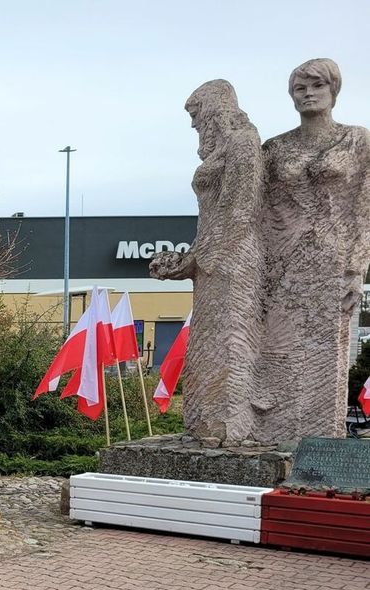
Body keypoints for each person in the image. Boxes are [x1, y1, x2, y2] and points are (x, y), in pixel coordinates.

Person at [256, 58, 370, 441]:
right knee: (277, 347)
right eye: (300, 89)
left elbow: (365, 207)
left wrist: (357, 265)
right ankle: (271, 434)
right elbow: (253, 208)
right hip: (280, 262)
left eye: (316, 86)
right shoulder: (274, 148)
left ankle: (317, 441)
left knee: (325, 356)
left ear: (333, 91)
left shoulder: (358, 141)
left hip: (331, 261)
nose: (308, 94)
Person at [149, 80, 262, 443]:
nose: (194, 125)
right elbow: (213, 216)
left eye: (196, 114)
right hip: (214, 255)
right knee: (207, 341)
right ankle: (204, 423)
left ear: (215, 108)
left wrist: (204, 257)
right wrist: (187, 261)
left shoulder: (243, 143)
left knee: (230, 339)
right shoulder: (224, 148)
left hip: (233, 257)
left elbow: (240, 210)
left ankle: (228, 426)